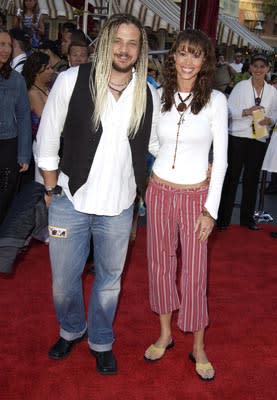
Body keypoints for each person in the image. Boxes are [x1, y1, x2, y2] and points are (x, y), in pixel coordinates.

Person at [36, 13, 159, 375]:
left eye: (132, 43)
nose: (124, 49)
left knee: (109, 283)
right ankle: (72, 328)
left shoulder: (146, 92)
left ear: (140, 50)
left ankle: (101, 339)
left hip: (121, 206)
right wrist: (49, 186)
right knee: (62, 281)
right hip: (69, 199)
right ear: (105, 43)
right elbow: (47, 136)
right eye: (117, 41)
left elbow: (158, 145)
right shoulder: (72, 80)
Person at [144, 30, 228, 381]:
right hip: (160, 191)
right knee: (160, 266)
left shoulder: (216, 101)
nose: (188, 62)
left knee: (195, 273)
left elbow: (221, 160)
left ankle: (198, 345)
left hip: (197, 198)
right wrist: (166, 165)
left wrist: (210, 209)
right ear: (173, 57)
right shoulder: (158, 94)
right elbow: (149, 143)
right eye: (182, 53)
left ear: (205, 61)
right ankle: (165, 334)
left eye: (196, 55)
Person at [217, 54, 277, 231]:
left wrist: (270, 120)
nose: (258, 70)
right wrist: (247, 111)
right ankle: (223, 219)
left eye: (262, 66)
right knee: (232, 178)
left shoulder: (272, 91)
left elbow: (275, 113)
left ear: (267, 69)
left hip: (258, 138)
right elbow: (228, 111)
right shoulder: (240, 87)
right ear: (250, 68)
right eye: (255, 66)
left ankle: (247, 219)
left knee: (252, 179)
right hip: (237, 137)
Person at [0, 29, 32, 224]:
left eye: (9, 45)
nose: (6, 49)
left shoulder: (16, 80)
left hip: (8, 145)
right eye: (1, 44)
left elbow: (23, 117)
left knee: (4, 197)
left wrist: (23, 154)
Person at [22, 51, 53, 182]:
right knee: (43, 184)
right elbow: (44, 121)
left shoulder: (48, 87)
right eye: (47, 68)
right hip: (42, 144)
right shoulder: (33, 93)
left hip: (52, 142)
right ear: (36, 72)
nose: (52, 71)